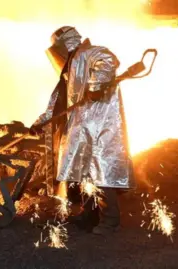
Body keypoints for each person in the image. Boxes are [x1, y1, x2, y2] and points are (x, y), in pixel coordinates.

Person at [30, 26, 135, 235]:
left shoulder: (92, 53)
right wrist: (40, 123)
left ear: (65, 44)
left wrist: (95, 87)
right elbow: (57, 104)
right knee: (82, 174)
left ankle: (109, 222)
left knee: (100, 173)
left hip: (99, 127)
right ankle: (88, 216)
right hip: (80, 129)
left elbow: (109, 62)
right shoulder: (69, 70)